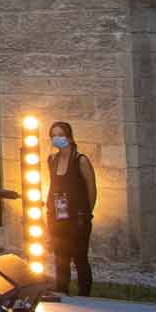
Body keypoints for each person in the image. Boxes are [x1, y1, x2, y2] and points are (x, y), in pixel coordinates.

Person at [48, 121, 96, 295]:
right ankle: (62, 291)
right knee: (60, 258)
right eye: (53, 136)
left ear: (69, 137)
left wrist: (87, 212)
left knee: (80, 258)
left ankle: (85, 294)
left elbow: (91, 187)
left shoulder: (80, 160)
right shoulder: (52, 160)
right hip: (58, 216)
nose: (56, 139)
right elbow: (52, 186)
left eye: (60, 135)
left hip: (78, 218)